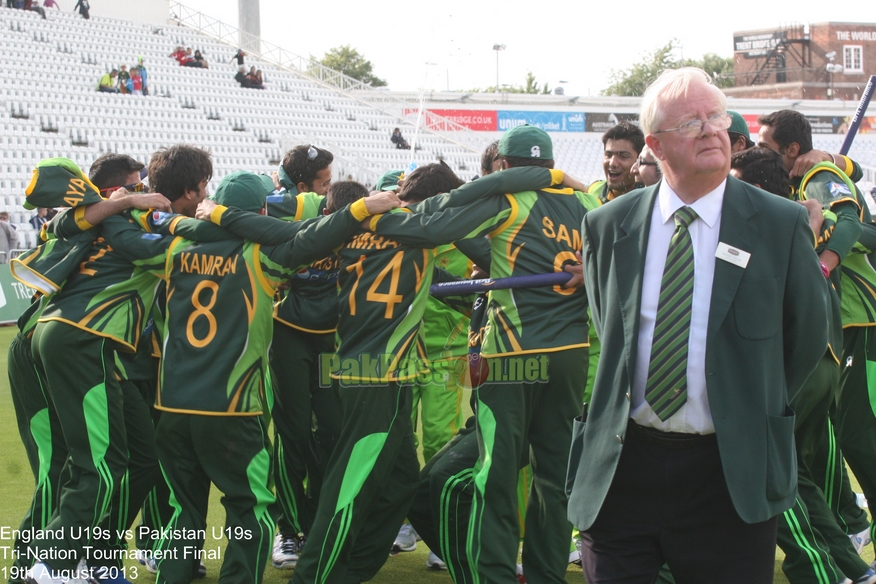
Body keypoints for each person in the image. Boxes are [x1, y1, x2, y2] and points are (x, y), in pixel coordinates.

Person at [569, 67, 829, 583]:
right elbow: (611, 327)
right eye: (692, 122)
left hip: (730, 472)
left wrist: (748, 400)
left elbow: (807, 337)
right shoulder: (608, 224)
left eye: (716, 116)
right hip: (623, 468)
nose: (713, 129)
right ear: (656, 144)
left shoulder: (780, 223)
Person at [588, 120, 645, 203]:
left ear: (640, 161)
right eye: (608, 155)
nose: (612, 163)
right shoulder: (593, 190)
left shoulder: (651, 198)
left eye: (623, 156)